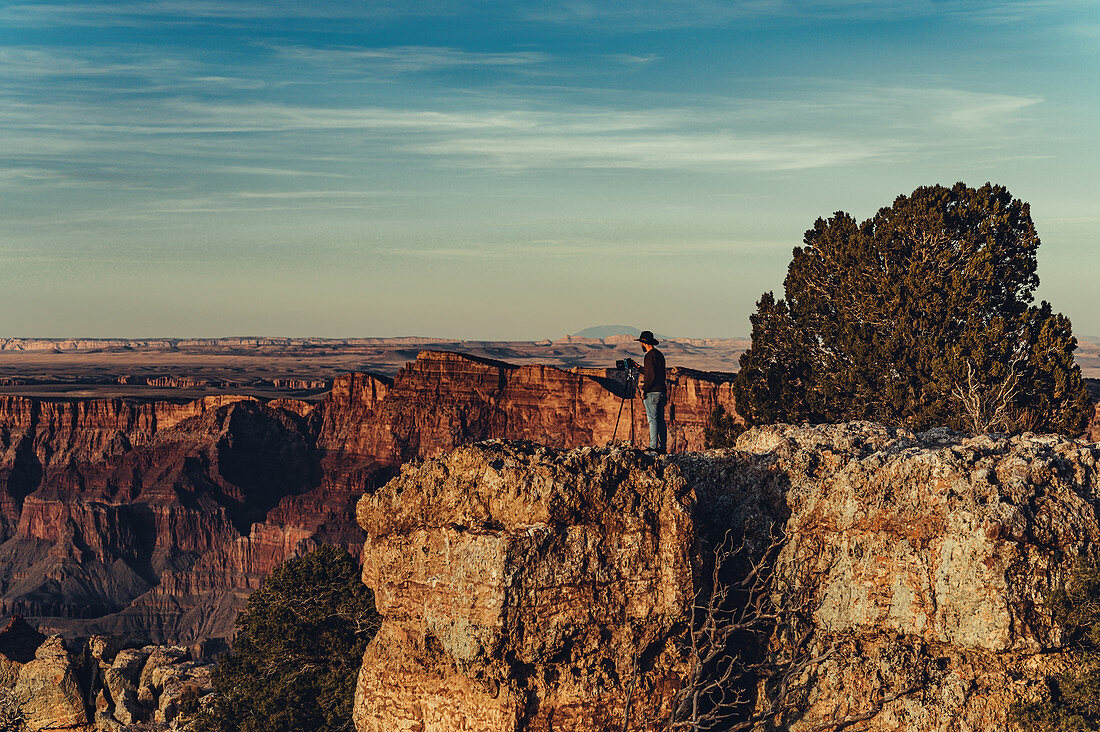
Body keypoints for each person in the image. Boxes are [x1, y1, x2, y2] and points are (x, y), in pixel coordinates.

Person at [633, 330, 667, 454]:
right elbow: (654, 373)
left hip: (652, 393)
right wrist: (637, 367)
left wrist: (644, 390)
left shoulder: (648, 356)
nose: (640, 345)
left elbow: (651, 376)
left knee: (652, 420)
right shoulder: (659, 355)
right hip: (662, 392)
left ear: (644, 343)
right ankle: (662, 447)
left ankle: (653, 447)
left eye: (641, 343)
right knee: (661, 420)